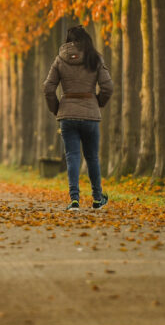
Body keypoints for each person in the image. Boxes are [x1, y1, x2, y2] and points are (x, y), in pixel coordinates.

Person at [43, 25, 114, 211]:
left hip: (67, 115)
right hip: (90, 114)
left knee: (72, 156)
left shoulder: (60, 59)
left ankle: (74, 200)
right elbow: (108, 87)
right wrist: (98, 102)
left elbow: (48, 88)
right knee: (92, 158)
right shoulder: (94, 57)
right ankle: (97, 198)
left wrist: (56, 108)